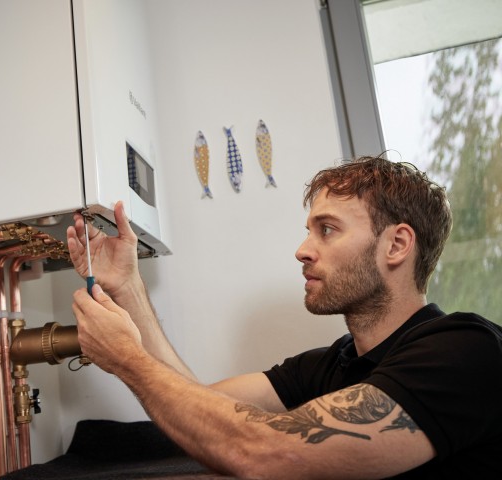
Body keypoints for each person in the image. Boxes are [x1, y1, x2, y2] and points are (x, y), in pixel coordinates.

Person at [66, 156, 502, 479]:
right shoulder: (334, 363)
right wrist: (129, 288)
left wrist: (127, 358)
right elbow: (201, 409)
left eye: (327, 229)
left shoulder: (465, 351)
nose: (302, 249)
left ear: (396, 245)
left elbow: (264, 451)